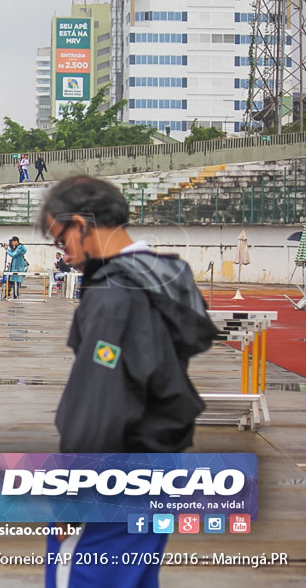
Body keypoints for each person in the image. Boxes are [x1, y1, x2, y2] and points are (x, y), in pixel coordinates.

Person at [36, 175, 216, 588]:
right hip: (162, 463)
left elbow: (99, 397)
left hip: (114, 472)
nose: (61, 251)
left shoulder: (113, 293)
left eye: (60, 238)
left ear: (80, 224)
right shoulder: (165, 275)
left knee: (82, 575)